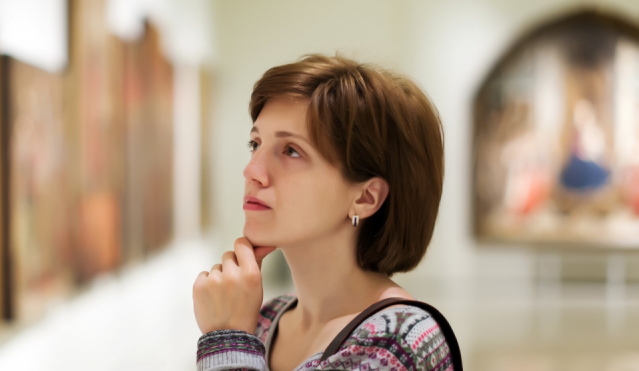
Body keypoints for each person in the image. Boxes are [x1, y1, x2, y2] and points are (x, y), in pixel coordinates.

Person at [192, 54, 457, 371]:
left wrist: (228, 341)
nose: (252, 171)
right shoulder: (264, 319)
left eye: (291, 151)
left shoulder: (399, 341)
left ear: (365, 197)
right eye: (255, 144)